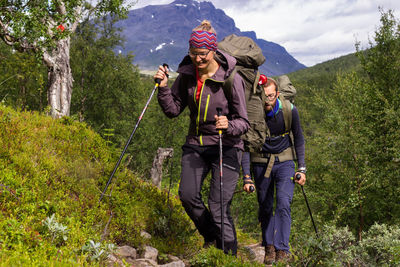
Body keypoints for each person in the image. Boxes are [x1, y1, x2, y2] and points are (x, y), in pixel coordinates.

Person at [154, 20, 249, 256]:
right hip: (196, 144)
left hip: (226, 146)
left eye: (203, 54)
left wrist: (229, 125)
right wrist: (164, 88)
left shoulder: (231, 78)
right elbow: (173, 110)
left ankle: (229, 256)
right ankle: (212, 237)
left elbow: (244, 122)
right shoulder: (187, 75)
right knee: (187, 195)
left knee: (217, 205)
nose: (198, 59)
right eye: (194, 54)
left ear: (213, 51)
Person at [241, 75, 306, 264]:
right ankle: (269, 246)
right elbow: (245, 146)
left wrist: (302, 168)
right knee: (265, 206)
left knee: (284, 203)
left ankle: (282, 249)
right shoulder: (253, 114)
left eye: (270, 96)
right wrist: (247, 177)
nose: (267, 99)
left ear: (277, 94)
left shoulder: (290, 110)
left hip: (285, 162)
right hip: (260, 163)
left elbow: (299, 138)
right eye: (263, 96)